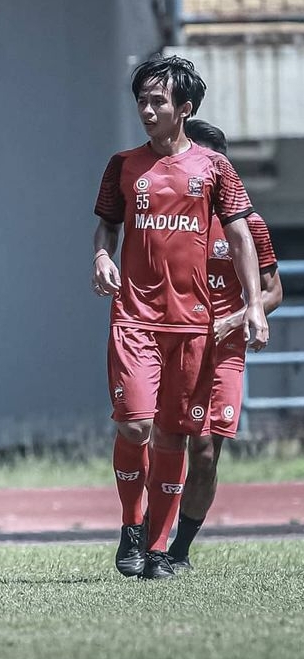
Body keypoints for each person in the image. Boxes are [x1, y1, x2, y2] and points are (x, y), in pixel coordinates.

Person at [91, 55, 269, 580]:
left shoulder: (214, 168)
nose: (146, 109)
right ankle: (131, 527)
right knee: (136, 423)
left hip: (194, 326)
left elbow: (240, 235)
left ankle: (158, 548)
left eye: (157, 101)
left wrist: (254, 306)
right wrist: (102, 255)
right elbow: (106, 226)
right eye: (141, 100)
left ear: (184, 109)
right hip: (135, 318)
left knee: (175, 438)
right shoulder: (122, 164)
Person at [165, 119, 282, 570]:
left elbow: (273, 292)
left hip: (224, 351)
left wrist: (236, 317)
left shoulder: (247, 223)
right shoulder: (169, 217)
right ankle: (149, 537)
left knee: (208, 449)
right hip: (175, 343)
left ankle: (181, 550)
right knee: (167, 441)